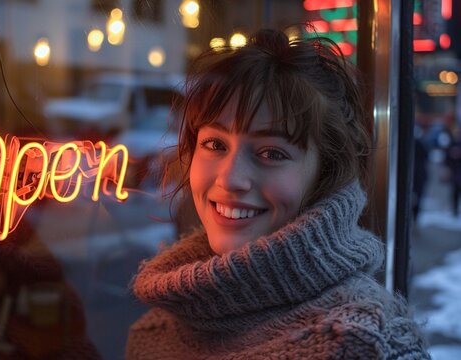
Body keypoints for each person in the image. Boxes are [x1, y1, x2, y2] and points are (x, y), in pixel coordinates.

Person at [126, 28, 430, 359]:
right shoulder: (156, 329)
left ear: (324, 174)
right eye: (214, 144)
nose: (230, 179)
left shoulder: (367, 343)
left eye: (272, 153)